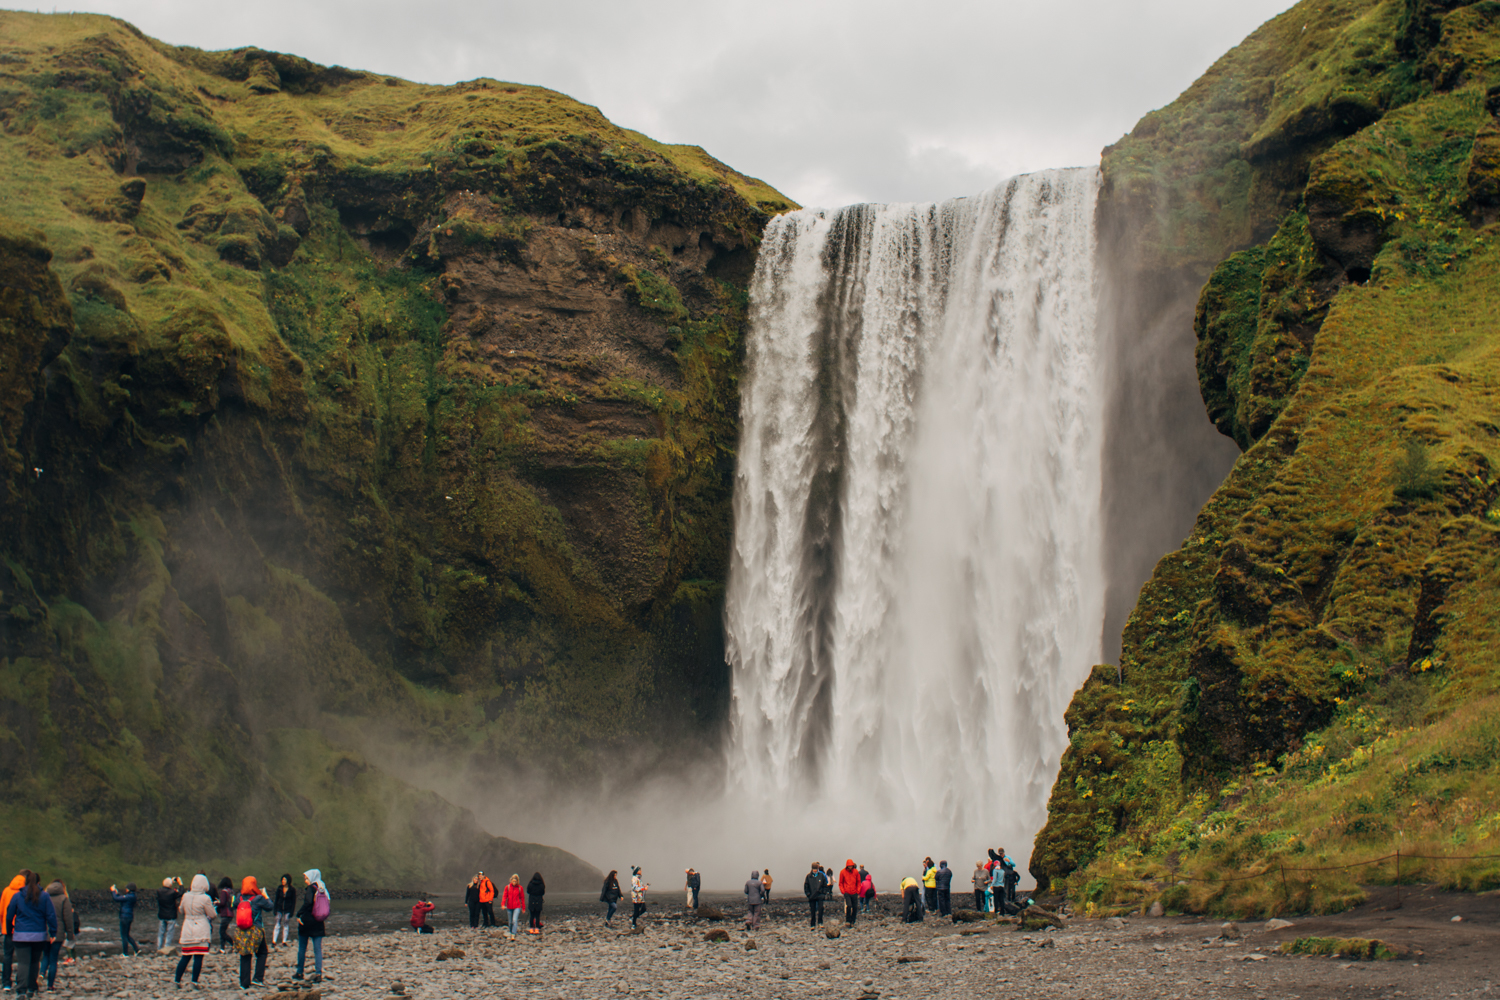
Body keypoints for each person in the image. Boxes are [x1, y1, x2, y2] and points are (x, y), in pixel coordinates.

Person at [6, 870, 56, 997]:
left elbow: (9, 914)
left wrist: (9, 929)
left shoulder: (17, 896)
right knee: (34, 962)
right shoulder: (44, 896)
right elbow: (50, 915)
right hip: (39, 935)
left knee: (23, 963)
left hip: (21, 934)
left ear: (25, 881)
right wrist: (53, 932)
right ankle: (32, 988)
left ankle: (21, 990)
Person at [173, 873, 214, 988]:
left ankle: (177, 981)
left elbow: (181, 910)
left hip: (187, 928)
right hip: (201, 929)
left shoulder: (185, 896)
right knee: (198, 957)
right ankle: (194, 982)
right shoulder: (206, 898)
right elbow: (212, 914)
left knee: (185, 956)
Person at [233, 876, 273, 989]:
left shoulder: (239, 897)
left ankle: (244, 983)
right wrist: (266, 895)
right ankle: (257, 978)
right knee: (262, 953)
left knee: (245, 955)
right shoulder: (259, 898)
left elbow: (234, 905)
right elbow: (270, 907)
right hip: (256, 930)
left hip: (241, 931)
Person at [293, 869, 329, 983]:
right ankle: (318, 973)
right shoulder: (322, 888)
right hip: (319, 921)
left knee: (302, 948)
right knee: (318, 949)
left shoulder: (310, 889)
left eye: (306, 878)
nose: (305, 881)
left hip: (307, 921)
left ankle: (300, 972)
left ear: (311, 878)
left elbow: (308, 903)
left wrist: (299, 914)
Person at [41, 879, 74, 991]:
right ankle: (50, 986)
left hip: (44, 931)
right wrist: (70, 935)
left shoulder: (44, 897)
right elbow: (68, 919)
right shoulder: (64, 899)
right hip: (58, 932)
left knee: (45, 955)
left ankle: (41, 973)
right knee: (53, 959)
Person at [3, 869, 31, 991]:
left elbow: (1, 911)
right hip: (22, 929)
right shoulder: (26, 892)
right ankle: (22, 982)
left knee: (7, 956)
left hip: (8, 930)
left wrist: (4, 926)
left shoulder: (6, 891)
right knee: (23, 959)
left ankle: (6, 983)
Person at [110, 881, 141, 956]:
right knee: (127, 935)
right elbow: (122, 897)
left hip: (124, 917)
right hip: (129, 917)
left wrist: (113, 891)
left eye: (127, 888)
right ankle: (136, 949)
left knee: (124, 935)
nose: (126, 890)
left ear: (129, 889)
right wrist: (117, 893)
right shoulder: (132, 896)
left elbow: (116, 899)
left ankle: (125, 953)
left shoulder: (129, 897)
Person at [156, 877, 182, 952]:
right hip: (171, 915)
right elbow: (181, 893)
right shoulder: (172, 893)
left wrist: (171, 880)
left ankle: (159, 948)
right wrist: (180, 884)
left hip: (162, 915)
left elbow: (166, 886)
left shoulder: (159, 891)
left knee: (161, 933)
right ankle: (166, 948)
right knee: (169, 933)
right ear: (170, 885)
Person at [272, 875, 296, 948]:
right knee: (277, 923)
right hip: (279, 907)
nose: (283, 881)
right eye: (282, 880)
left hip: (287, 908)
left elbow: (293, 901)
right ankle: (274, 941)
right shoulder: (279, 888)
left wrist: (292, 911)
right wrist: (275, 909)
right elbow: (276, 899)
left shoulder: (292, 890)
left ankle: (284, 941)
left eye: (284, 880)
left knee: (286, 924)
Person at [215, 876, 234, 953]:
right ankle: (222, 948)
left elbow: (222, 903)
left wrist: (216, 903)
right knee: (223, 931)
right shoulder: (231, 892)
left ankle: (233, 944)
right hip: (231, 913)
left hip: (225, 913)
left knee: (222, 932)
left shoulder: (224, 891)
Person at [837, 860, 860, 926]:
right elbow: (840, 883)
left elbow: (858, 882)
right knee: (849, 905)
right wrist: (843, 891)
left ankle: (853, 920)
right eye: (849, 866)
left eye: (851, 866)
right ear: (847, 866)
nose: (850, 867)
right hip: (847, 892)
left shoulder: (856, 872)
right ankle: (848, 920)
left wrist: (858, 891)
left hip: (854, 892)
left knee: (855, 907)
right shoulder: (842, 872)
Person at [802, 863, 825, 929]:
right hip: (812, 896)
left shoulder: (821, 876)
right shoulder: (808, 876)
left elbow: (824, 885)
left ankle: (820, 923)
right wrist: (808, 894)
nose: (815, 870)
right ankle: (813, 924)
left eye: (816, 869)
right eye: (814, 869)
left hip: (820, 896)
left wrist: (823, 893)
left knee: (820, 909)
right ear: (812, 869)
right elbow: (806, 886)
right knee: (812, 911)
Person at [501, 875, 524, 940]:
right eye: (513, 881)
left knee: (514, 920)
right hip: (509, 907)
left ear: (517, 881)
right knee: (510, 922)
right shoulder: (507, 887)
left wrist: (523, 908)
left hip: (517, 906)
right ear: (511, 881)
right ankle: (511, 932)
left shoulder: (520, 888)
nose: (514, 882)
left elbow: (522, 898)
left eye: (515, 881)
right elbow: (504, 896)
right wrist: (503, 904)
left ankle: (513, 934)